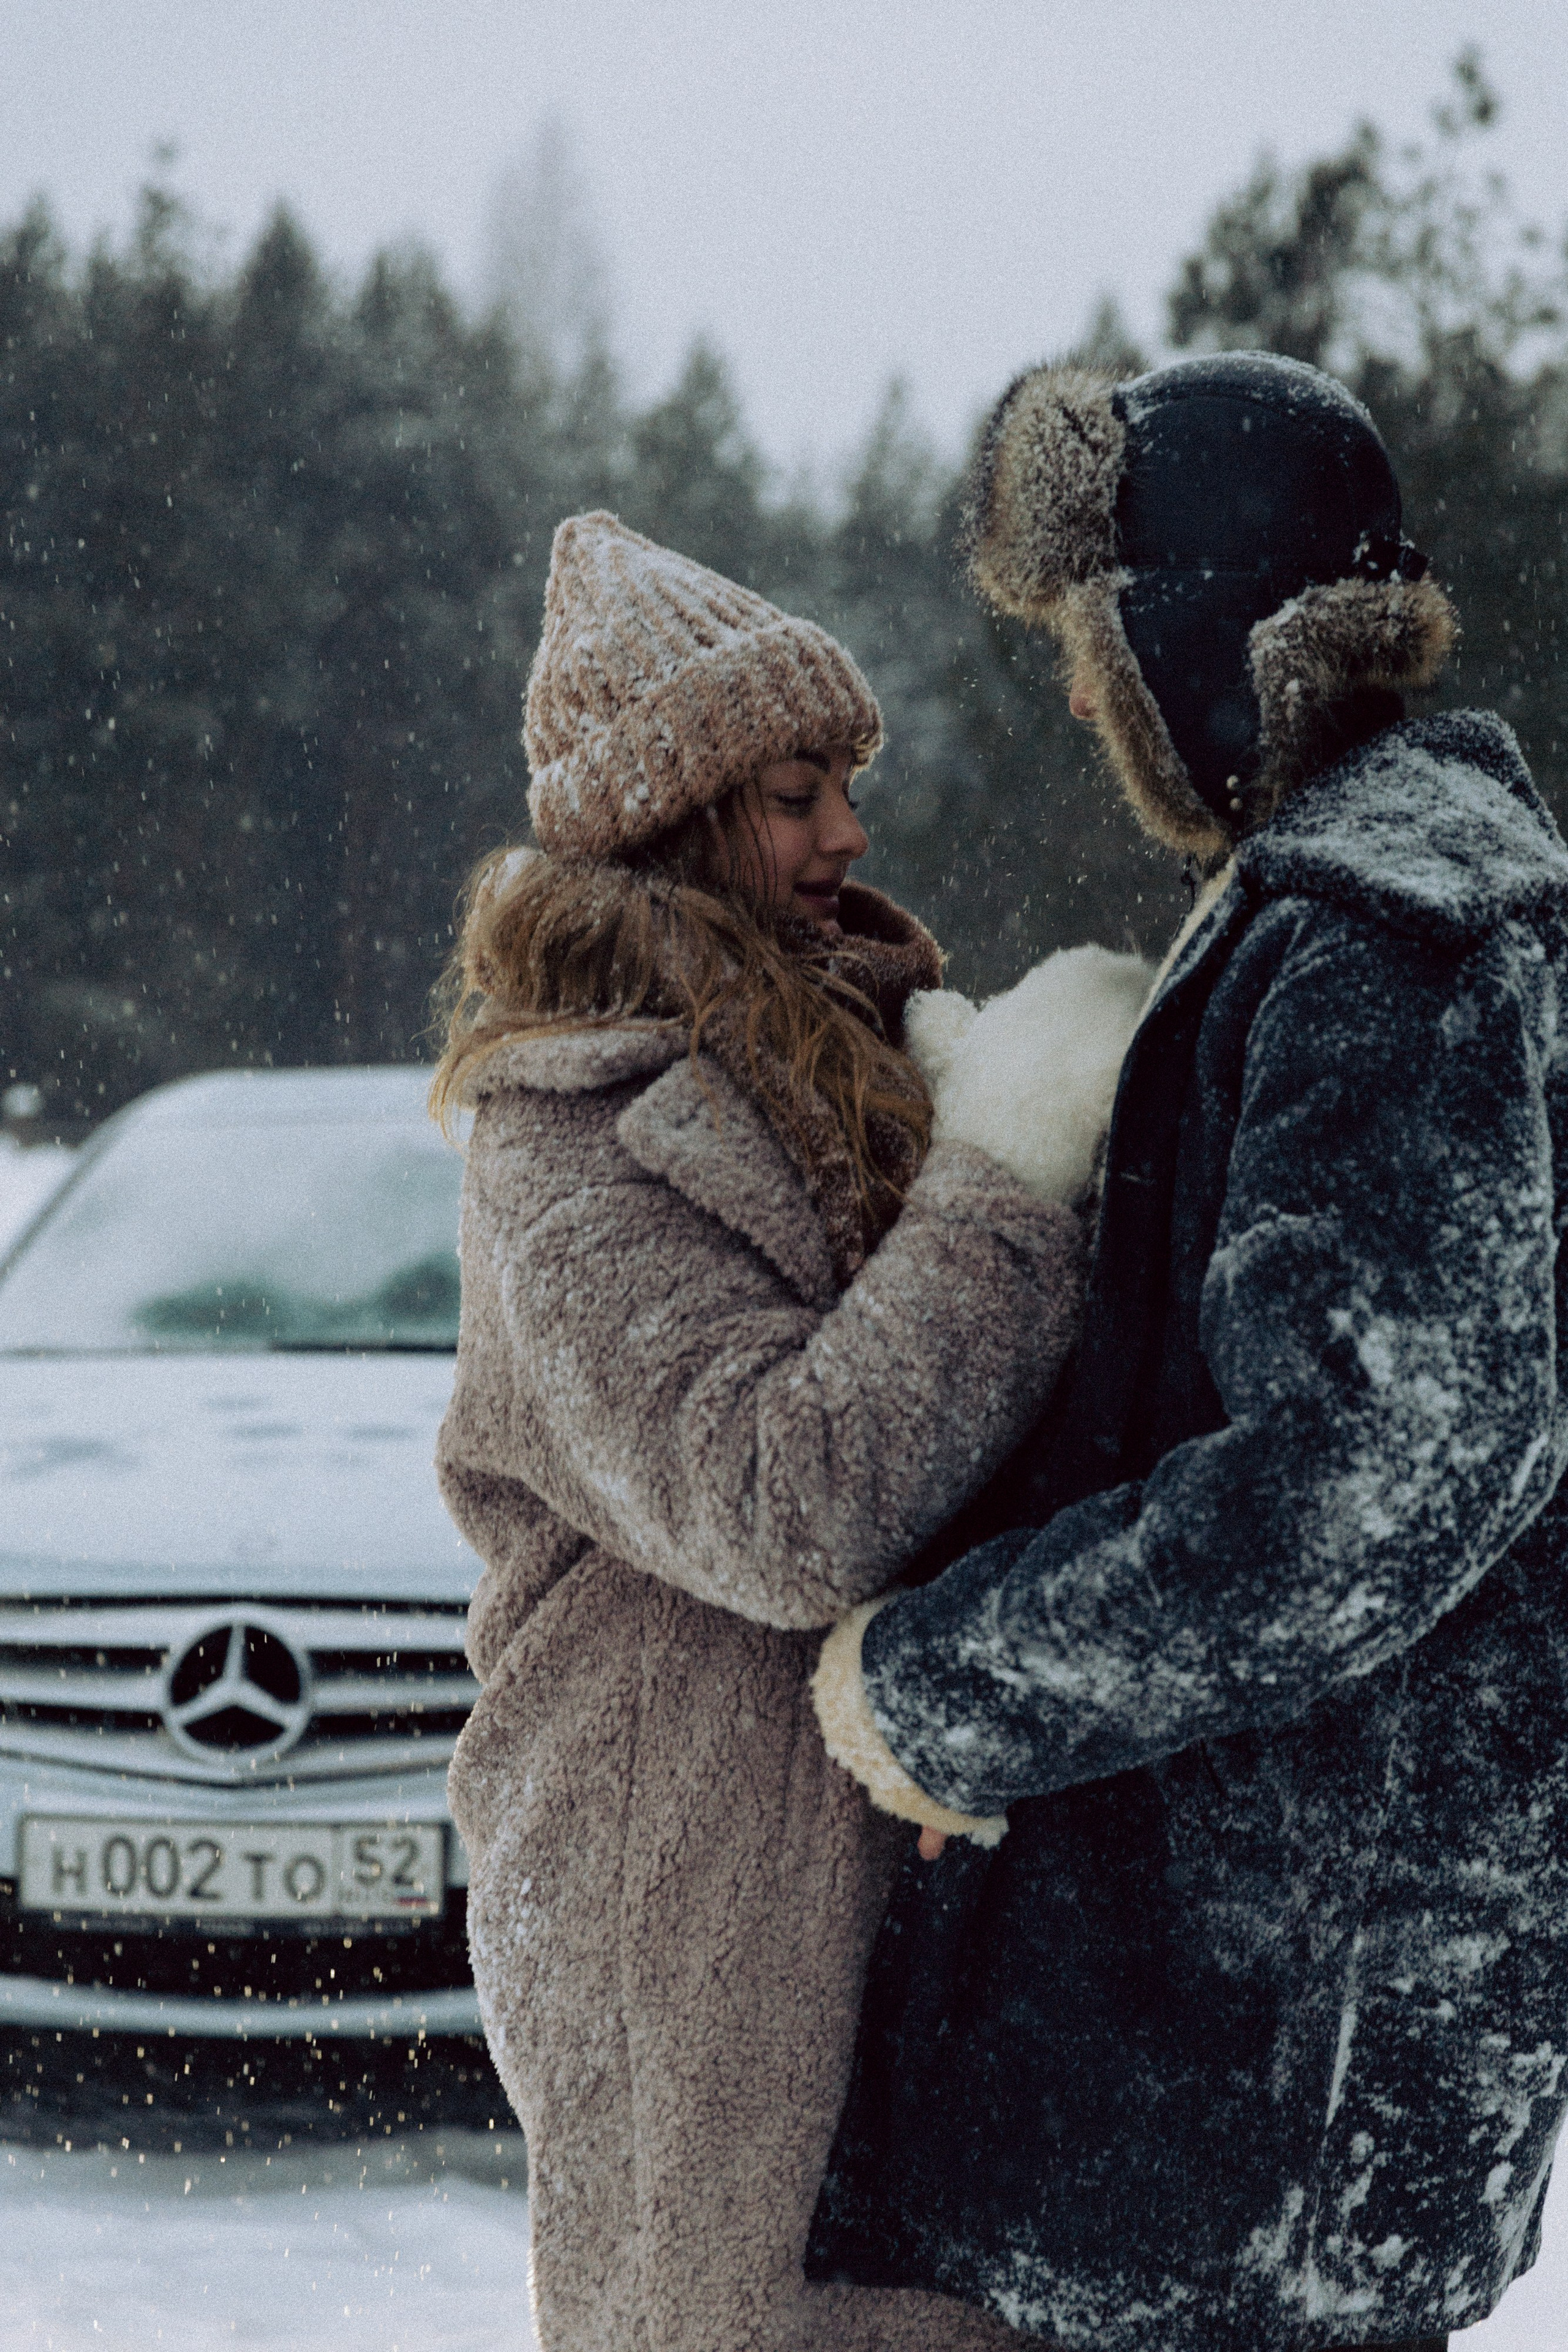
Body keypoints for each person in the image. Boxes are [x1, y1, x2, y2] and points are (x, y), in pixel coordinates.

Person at [809, 352, 1568, 2352]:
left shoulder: (1391, 942)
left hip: (1278, 2073)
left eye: (1094, 640)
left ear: (1203, 637)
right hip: (1279, 2064)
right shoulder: (1357, 917)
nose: (1077, 697)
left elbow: (1365, 1481)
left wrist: (953, 1685)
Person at [429, 511, 1140, 2351]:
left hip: (903, 1859)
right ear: (672, 818)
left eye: (846, 789)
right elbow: (783, 1503)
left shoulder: (871, 1050)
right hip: (684, 1894)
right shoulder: (562, 1141)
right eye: (797, 795)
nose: (849, 836)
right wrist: (999, 1175)